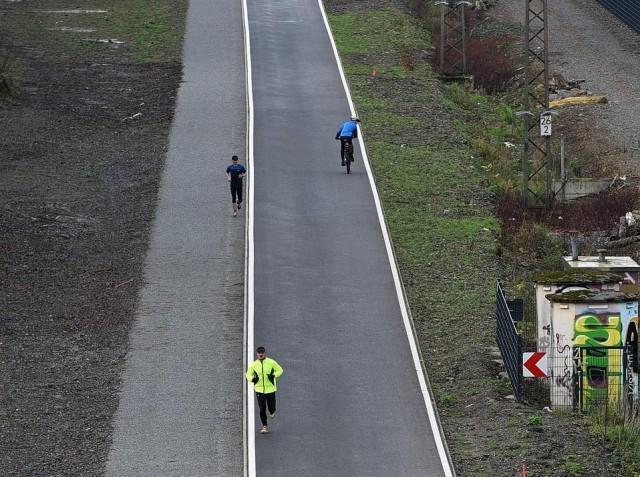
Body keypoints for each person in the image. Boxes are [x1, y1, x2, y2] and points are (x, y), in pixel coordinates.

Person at [245, 346, 283, 434]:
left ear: (264, 353)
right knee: (262, 408)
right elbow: (248, 374)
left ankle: (272, 412)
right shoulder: (254, 365)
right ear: (257, 354)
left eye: (262, 353)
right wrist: (252, 379)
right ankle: (264, 426)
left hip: (270, 389)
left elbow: (280, 370)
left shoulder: (271, 362)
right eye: (259, 353)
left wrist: (273, 375)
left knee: (272, 407)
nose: (261, 354)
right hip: (259, 390)